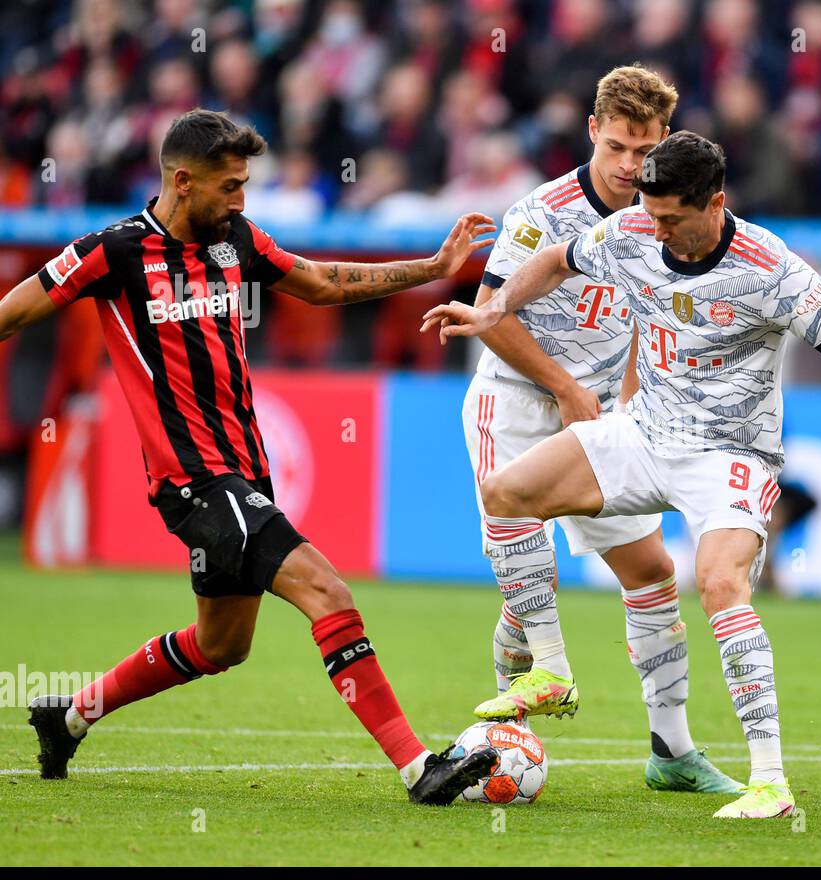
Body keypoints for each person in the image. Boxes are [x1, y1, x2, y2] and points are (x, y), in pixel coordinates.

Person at [1, 109, 497, 805]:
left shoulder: (234, 240)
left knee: (221, 645)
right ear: (182, 181)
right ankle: (422, 769)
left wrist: (436, 267)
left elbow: (320, 283)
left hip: (246, 470)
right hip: (194, 480)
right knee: (329, 592)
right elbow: (14, 313)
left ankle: (70, 714)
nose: (241, 200)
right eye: (230, 186)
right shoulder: (111, 252)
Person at [424, 131, 821, 818]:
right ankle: (553, 672)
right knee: (505, 492)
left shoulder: (771, 268)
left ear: (716, 203)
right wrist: (493, 309)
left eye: (671, 219)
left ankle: (770, 782)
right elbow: (555, 261)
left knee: (719, 583)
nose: (653, 229)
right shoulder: (631, 227)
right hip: (642, 433)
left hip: (729, 454)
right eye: (649, 214)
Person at [461, 65, 741, 795]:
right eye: (616, 145)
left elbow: (649, 321)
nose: (627, 165)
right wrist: (563, 389)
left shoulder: (662, 217)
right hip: (517, 404)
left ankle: (671, 752)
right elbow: (492, 315)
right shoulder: (543, 212)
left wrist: (625, 402)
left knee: (651, 573)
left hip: (600, 416)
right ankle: (524, 712)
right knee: (532, 572)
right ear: (592, 131)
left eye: (642, 151)